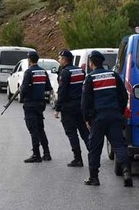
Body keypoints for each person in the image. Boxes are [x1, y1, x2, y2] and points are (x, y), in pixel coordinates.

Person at [81, 50, 131, 187]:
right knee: (119, 145)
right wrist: (120, 112)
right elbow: (123, 96)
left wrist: (86, 118)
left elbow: (85, 101)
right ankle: (126, 172)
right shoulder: (114, 75)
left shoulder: (90, 78)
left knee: (95, 147)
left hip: (98, 118)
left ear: (91, 63)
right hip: (115, 115)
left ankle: (94, 177)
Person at [54, 50, 89, 167]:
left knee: (71, 132)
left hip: (69, 107)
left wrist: (57, 108)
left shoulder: (65, 73)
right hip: (81, 106)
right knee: (84, 132)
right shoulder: (80, 71)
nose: (59, 61)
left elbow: (62, 92)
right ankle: (94, 154)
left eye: (60, 58)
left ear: (64, 60)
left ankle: (78, 158)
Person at [20, 51, 53, 163]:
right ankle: (47, 153)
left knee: (33, 130)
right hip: (40, 104)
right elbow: (48, 87)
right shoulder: (43, 72)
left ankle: (36, 154)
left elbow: (24, 89)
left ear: (29, 60)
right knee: (40, 129)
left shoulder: (29, 72)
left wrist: (23, 96)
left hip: (30, 104)